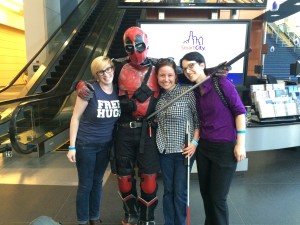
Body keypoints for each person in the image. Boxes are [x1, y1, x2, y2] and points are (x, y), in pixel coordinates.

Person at [179, 51, 247, 225]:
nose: (188, 70)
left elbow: (240, 112)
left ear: (202, 65)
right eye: (185, 68)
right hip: (204, 149)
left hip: (224, 148)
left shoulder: (221, 83)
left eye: (191, 65)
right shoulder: (196, 91)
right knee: (206, 194)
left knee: (218, 198)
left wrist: (241, 144)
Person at [67, 56, 121, 225]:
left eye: (109, 69)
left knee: (98, 182)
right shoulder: (89, 90)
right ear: (96, 75)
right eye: (101, 71)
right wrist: (72, 147)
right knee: (85, 184)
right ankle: (83, 220)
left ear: (113, 68)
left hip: (105, 145)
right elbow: (75, 118)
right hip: (86, 144)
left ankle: (94, 217)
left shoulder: (118, 90)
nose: (106, 74)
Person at [154, 58, 199, 225]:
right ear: (157, 77)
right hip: (164, 150)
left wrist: (194, 142)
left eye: (170, 75)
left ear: (176, 76)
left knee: (180, 192)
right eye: (162, 75)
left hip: (183, 151)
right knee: (168, 191)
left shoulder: (188, 93)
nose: (166, 79)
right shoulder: (157, 98)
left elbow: (198, 120)